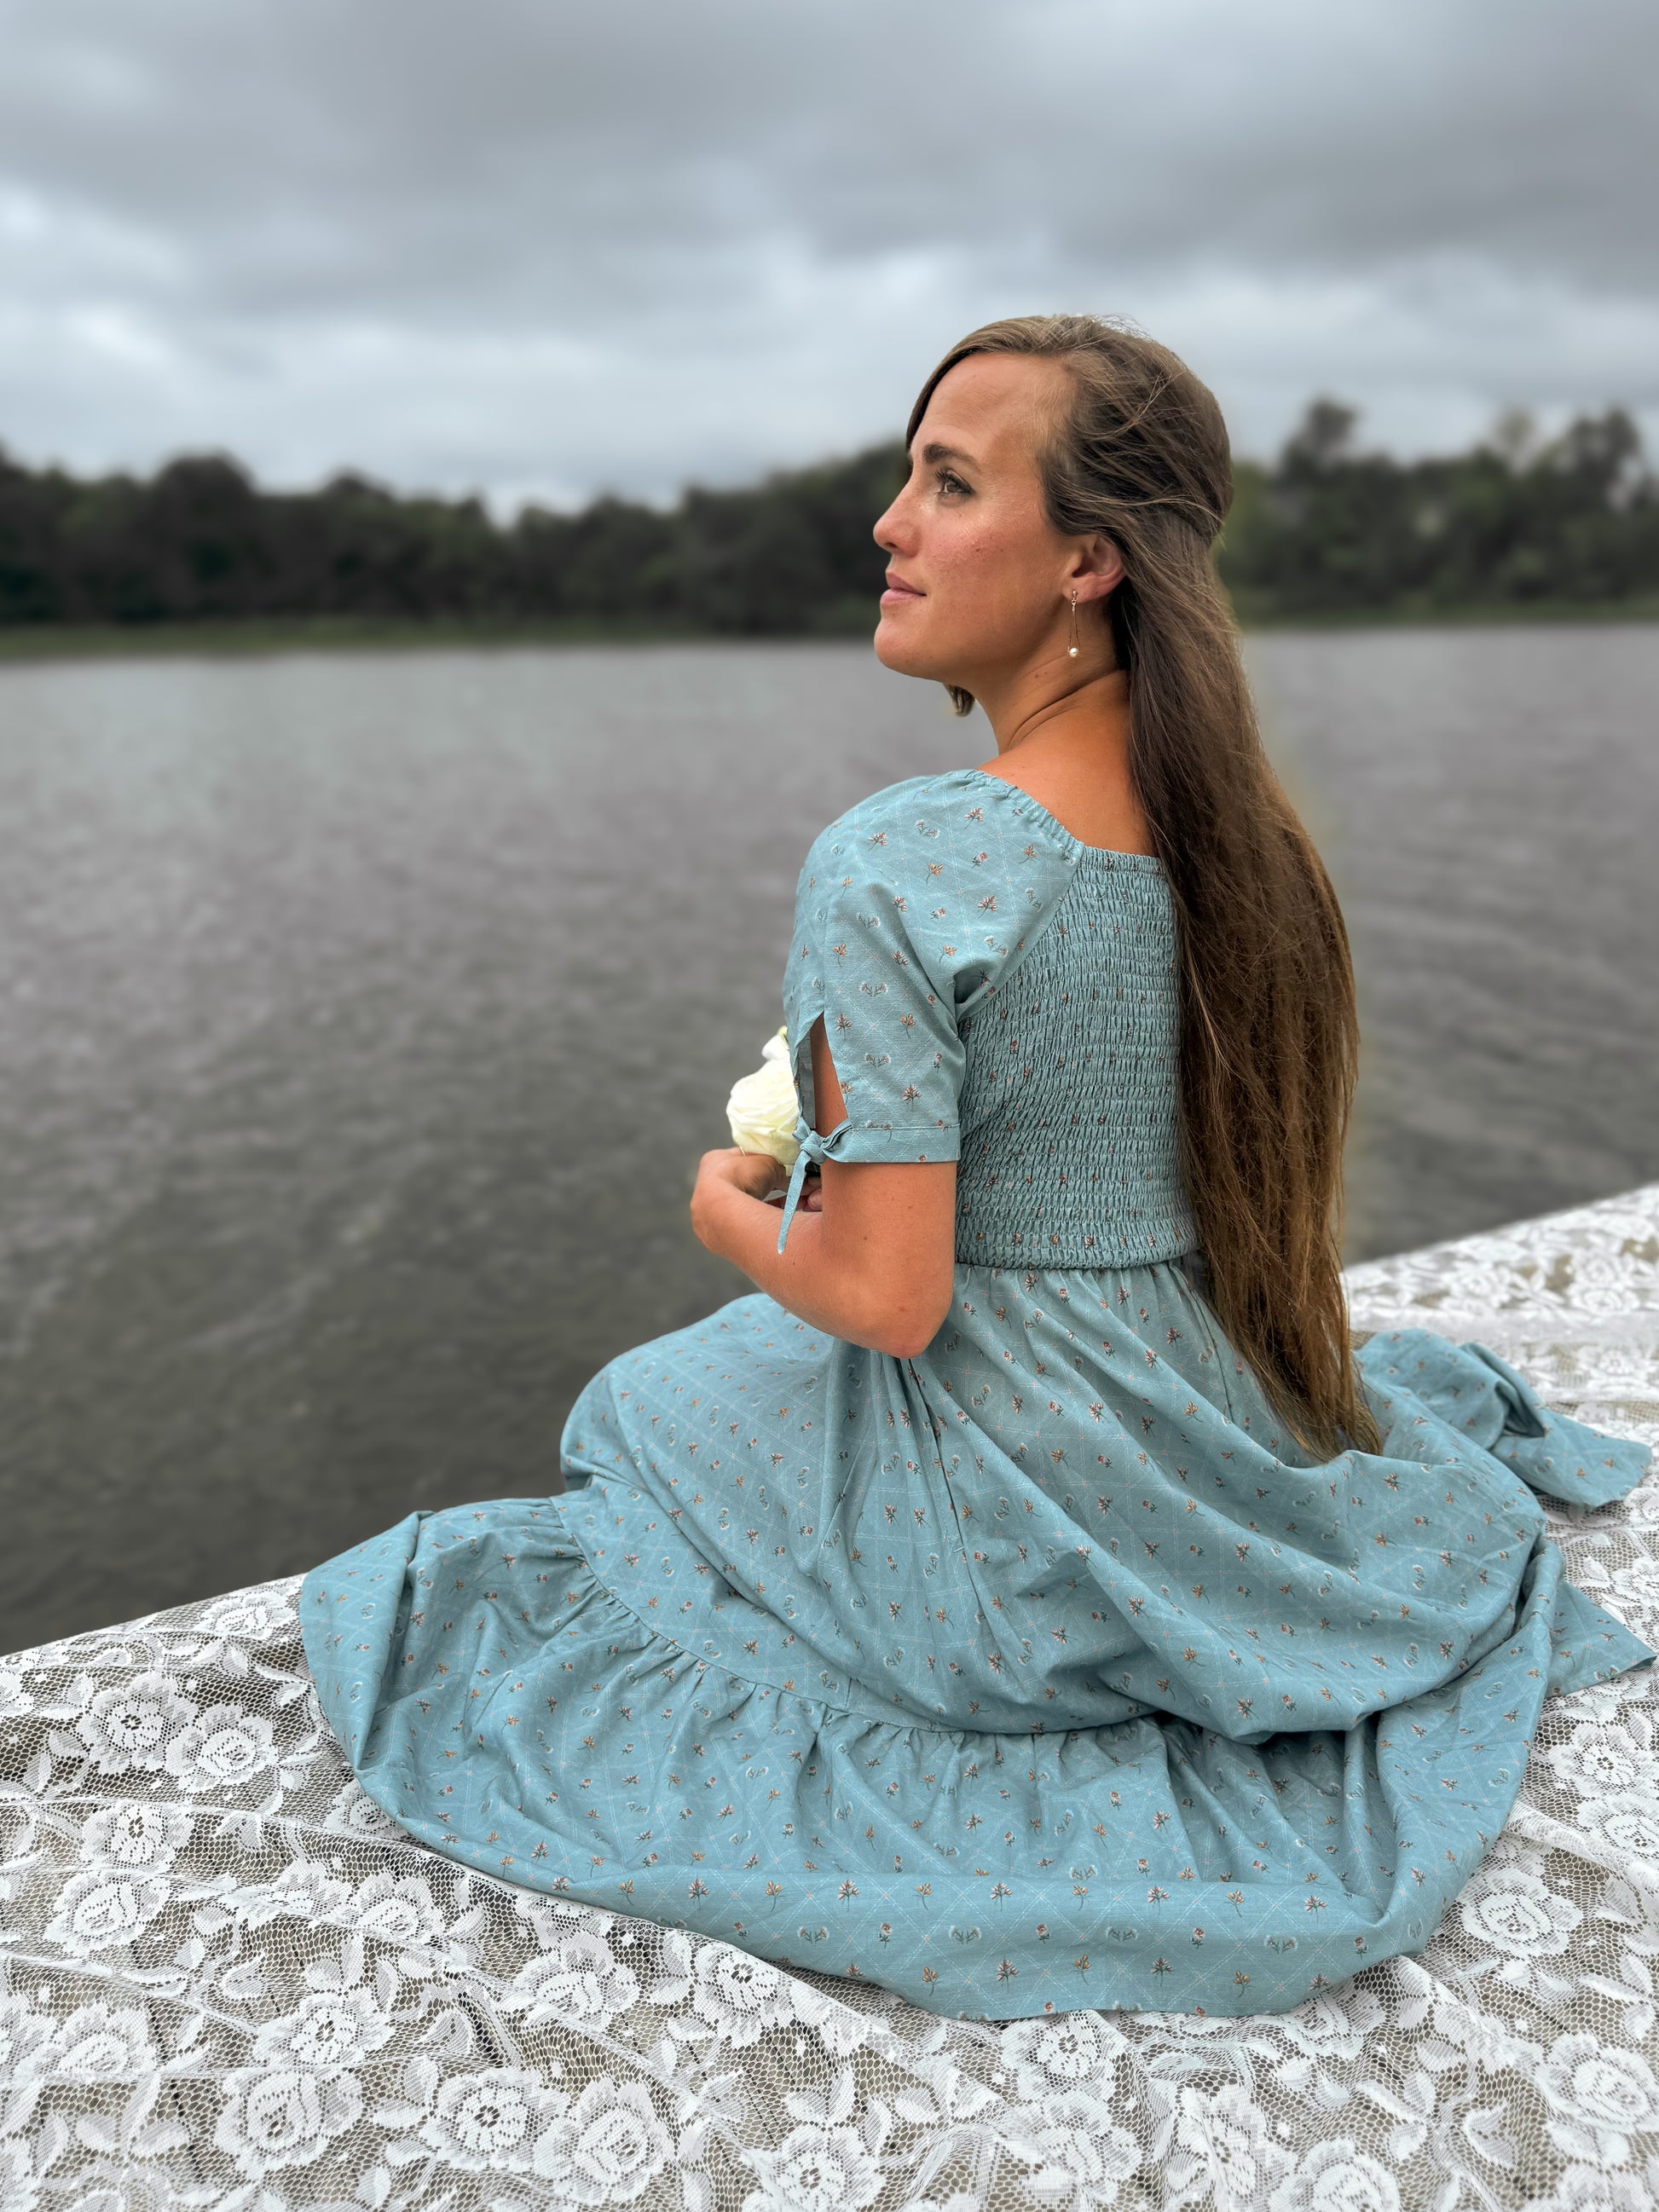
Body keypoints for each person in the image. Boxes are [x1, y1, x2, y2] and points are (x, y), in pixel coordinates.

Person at [301, 315, 1651, 2023]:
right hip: (1187, 1390)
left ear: (1087, 558)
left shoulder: (903, 859)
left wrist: (727, 1198)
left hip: (1003, 1485)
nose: (889, 520)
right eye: (907, 474)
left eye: (948, 481)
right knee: (692, 1396)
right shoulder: (1248, 837)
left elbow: (889, 1291)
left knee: (645, 1401)